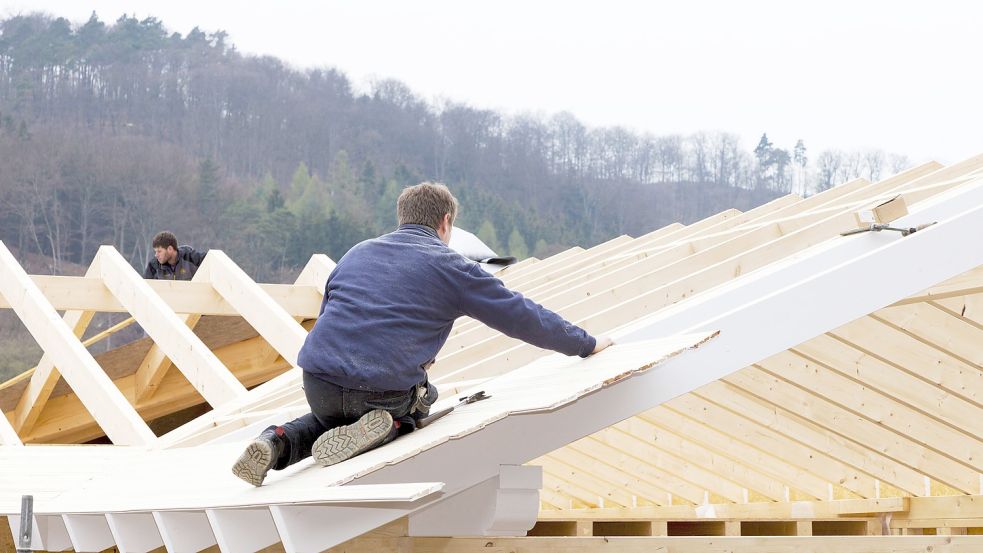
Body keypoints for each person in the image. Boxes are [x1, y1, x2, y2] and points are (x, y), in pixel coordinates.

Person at [232, 182, 613, 486]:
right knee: (423, 398)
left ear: (401, 218)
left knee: (330, 419)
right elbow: (523, 317)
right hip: (382, 390)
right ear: (445, 222)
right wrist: (586, 343)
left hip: (319, 382)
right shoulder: (452, 267)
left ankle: (275, 441)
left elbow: (329, 315)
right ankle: (387, 429)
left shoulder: (356, 253)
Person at [142, 231, 207, 280]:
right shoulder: (153, 266)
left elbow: (211, 261)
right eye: (155, 251)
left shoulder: (190, 257)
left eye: (159, 251)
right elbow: (144, 288)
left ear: (170, 249)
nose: (156, 255)